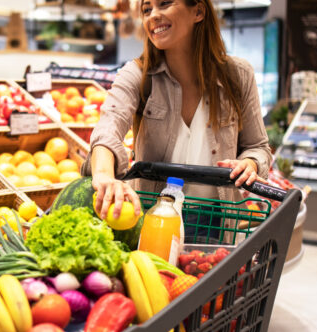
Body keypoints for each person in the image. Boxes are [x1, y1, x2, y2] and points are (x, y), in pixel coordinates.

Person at [83, 0, 272, 230]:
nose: (153, 15)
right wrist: (103, 175)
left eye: (164, 4)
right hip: (152, 217)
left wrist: (249, 164)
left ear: (199, 11)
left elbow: (258, 146)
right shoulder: (138, 75)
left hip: (218, 221)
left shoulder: (238, 75)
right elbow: (108, 128)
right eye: (147, 9)